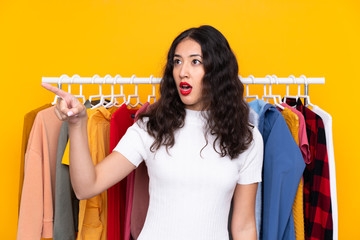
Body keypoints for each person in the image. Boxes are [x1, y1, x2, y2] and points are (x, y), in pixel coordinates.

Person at [42, 25, 264, 240]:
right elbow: (86, 187)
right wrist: (78, 123)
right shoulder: (152, 127)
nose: (182, 72)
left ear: (218, 71)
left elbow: (244, 227)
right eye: (177, 62)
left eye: (195, 61)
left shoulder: (246, 138)